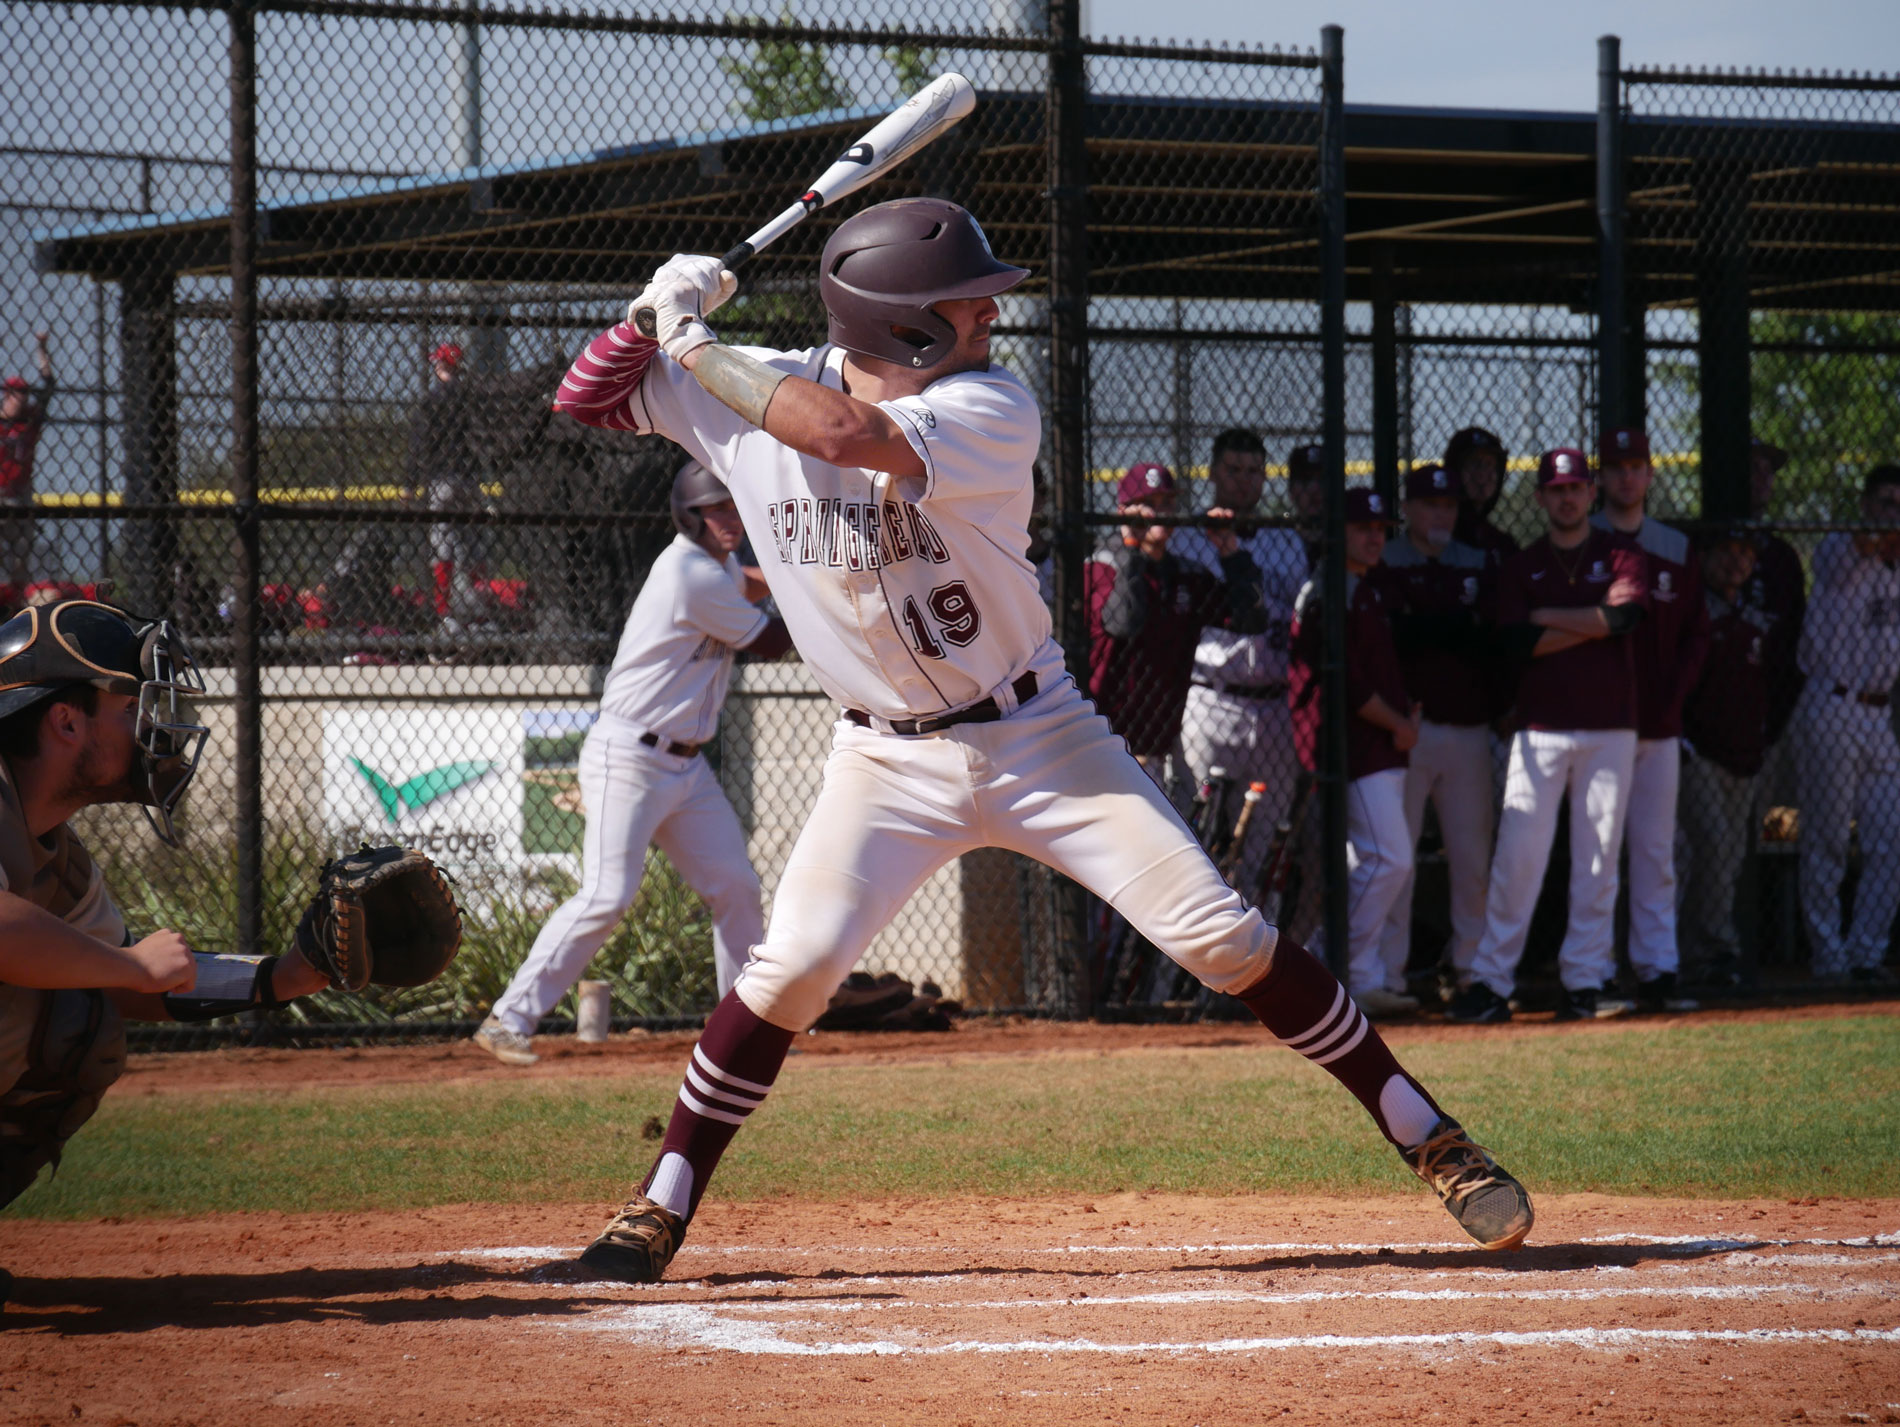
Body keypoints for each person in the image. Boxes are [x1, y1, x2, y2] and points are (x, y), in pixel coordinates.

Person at [548, 196, 1533, 1282]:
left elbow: (839, 435)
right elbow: (583, 398)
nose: (989, 314)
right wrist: (645, 322)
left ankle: (1434, 1137)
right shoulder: (745, 385)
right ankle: (658, 1204)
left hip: (1039, 734)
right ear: (901, 322)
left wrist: (689, 339)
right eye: (964, 302)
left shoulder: (985, 403)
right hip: (881, 760)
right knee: (790, 970)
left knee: (1220, 939)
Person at [0, 599, 331, 1301]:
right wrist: (127, 965)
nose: (157, 726)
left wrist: (290, 974)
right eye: (131, 705)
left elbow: (136, 983)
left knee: (81, 1028)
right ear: (65, 720)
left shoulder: (55, 854)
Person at [473, 462, 792, 1066]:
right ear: (688, 515)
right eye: (714, 509)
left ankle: (743, 1035)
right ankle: (508, 1019)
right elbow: (771, 641)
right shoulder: (686, 572)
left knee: (736, 888)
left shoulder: (714, 566)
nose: (728, 518)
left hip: (686, 768)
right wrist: (826, 596)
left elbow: (745, 579)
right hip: (631, 755)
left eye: (731, 507)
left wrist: (793, 571)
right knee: (606, 895)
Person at [1448, 448, 1647, 1024]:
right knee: (1518, 858)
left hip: (1611, 726)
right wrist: (1590, 622)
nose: (1566, 497)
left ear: (1591, 494)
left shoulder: (1620, 553)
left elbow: (1625, 620)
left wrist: (1545, 617)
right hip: (1540, 730)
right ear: (1540, 497)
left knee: (1598, 860)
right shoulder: (1521, 564)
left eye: (1575, 487)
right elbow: (1513, 643)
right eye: (1555, 488)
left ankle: (1585, 982)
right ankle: (1490, 983)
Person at [1288, 488, 1421, 1016]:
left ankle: (1359, 976)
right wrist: (1396, 723)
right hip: (1349, 749)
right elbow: (1345, 684)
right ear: (1337, 532)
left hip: (1373, 745)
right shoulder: (1329, 590)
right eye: (1362, 526)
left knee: (1377, 861)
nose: (1373, 536)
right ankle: (1332, 964)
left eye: (1379, 527)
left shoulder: (1359, 586)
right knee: (1389, 859)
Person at [1591, 428, 1709, 1013]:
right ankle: (1599, 972)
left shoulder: (1675, 546)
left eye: (1636, 465)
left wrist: (1673, 700)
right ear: (1601, 477)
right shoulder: (1585, 542)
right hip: (1600, 724)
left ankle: (1657, 970)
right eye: (1615, 466)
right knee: (1599, 852)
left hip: (1658, 727)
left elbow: (1696, 636)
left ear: (1651, 474)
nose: (1626, 477)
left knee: (1655, 852)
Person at [1371, 463, 1497, 999]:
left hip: (1468, 730)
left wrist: (1430, 628)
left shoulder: (1477, 562)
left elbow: (1486, 638)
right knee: (1398, 862)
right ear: (1409, 510)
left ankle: (1470, 971)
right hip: (1407, 732)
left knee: (1472, 859)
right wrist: (1449, 627)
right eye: (1429, 505)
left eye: (1447, 505)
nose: (1440, 514)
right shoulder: (1387, 562)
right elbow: (1399, 640)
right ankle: (1390, 976)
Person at [1172, 429, 1311, 889]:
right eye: (1233, 470)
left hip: (1273, 707)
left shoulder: (1285, 539)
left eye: (1254, 472)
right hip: (1212, 697)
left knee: (1261, 845)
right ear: (1212, 473)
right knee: (1197, 833)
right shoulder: (1190, 539)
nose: (1244, 481)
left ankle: (1253, 950)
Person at [1085, 461, 1262, 794]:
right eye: (1148, 505)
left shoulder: (1185, 573)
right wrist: (1132, 548)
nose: (1159, 514)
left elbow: (1249, 618)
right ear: (1123, 511)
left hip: (1159, 742)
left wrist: (1228, 550)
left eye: (1166, 504)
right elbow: (1123, 622)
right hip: (1103, 741)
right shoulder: (1102, 566)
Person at [1792, 464, 1900, 987]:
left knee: (1890, 840)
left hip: (1881, 715)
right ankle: (1828, 957)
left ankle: (1865, 952)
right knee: (1829, 840)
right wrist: (1881, 534)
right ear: (1866, 505)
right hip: (1832, 702)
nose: (1892, 512)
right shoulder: (1838, 546)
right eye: (1884, 502)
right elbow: (1862, 546)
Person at [1677, 528, 1771, 991]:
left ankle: (1707, 956)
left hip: (1744, 755)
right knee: (1710, 847)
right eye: (1728, 551)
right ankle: (1707, 950)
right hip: (1701, 753)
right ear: (1706, 557)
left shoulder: (1753, 615)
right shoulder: (1692, 610)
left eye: (1747, 553)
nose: (1738, 561)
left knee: (1728, 860)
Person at [409, 342, 483, 632]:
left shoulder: (432, 400)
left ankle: (444, 614)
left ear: (442, 366)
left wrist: (408, 482)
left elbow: (419, 442)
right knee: (472, 545)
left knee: (443, 544)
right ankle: (477, 612)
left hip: (441, 479)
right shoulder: (470, 398)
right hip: (470, 480)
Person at [1, 333, 55, 590]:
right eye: (15, 394)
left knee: (22, 552)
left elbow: (48, 386)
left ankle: (14, 601)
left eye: (23, 394)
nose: (21, 400)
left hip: (21, 493)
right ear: (6, 395)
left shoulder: (29, 420)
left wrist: (41, 351)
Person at [1445, 426, 1519, 562]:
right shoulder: (1436, 538)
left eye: (1489, 464)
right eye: (1474, 464)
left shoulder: (1502, 544)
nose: (1482, 474)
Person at [1285, 442, 1326, 571]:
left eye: (1323, 480)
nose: (1315, 489)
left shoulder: (1351, 539)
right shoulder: (1278, 540)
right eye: (1305, 480)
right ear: (1291, 490)